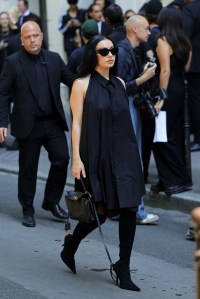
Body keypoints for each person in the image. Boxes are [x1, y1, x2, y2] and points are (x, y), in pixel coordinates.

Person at [60, 35, 145, 292]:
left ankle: (123, 266)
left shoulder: (119, 82)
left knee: (130, 208)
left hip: (125, 155)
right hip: (97, 156)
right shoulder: (81, 85)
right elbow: (76, 123)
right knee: (100, 213)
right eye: (103, 50)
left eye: (113, 50)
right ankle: (70, 246)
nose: (110, 54)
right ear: (92, 55)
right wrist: (76, 158)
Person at [0, 21, 74, 227]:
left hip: (52, 122)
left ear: (41, 36)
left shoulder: (53, 59)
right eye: (27, 37)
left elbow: (72, 81)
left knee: (62, 158)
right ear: (22, 40)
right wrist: (2, 122)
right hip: (27, 124)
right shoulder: (13, 62)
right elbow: (3, 94)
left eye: (35, 36)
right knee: (28, 169)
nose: (32, 40)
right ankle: (27, 209)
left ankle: (51, 202)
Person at [116, 15, 160, 224]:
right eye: (146, 28)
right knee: (134, 160)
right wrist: (143, 78)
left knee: (130, 160)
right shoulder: (123, 51)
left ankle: (127, 208)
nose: (150, 32)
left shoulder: (128, 50)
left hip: (129, 108)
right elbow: (119, 87)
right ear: (134, 29)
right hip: (126, 110)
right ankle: (138, 211)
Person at [151, 8, 192, 195]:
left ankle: (171, 181)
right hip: (180, 89)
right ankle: (176, 179)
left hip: (167, 90)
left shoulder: (163, 40)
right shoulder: (185, 40)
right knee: (175, 134)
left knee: (162, 137)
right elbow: (187, 67)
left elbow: (165, 71)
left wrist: (161, 97)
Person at [182, 0, 200, 151]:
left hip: (195, 63)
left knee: (196, 101)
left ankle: (199, 138)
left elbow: (185, 36)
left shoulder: (190, 10)